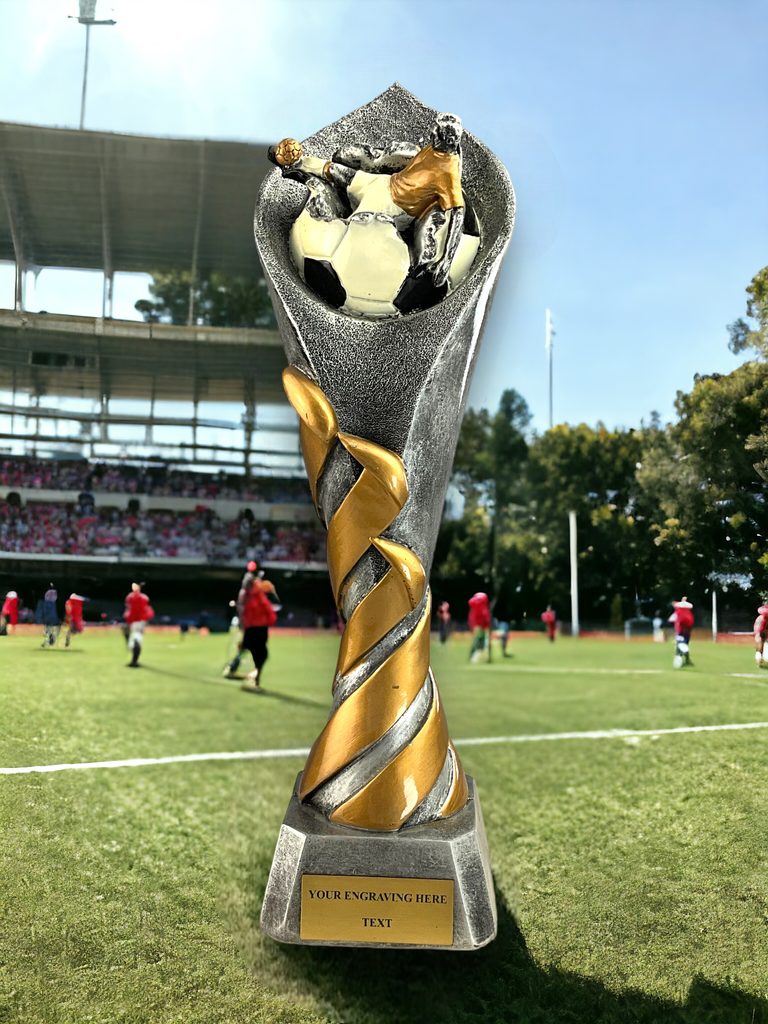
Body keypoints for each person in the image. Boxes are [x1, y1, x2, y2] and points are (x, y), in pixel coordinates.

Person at [270, 113, 466, 287]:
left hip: (393, 207)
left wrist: (446, 262)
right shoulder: (441, 148)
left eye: (436, 131)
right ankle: (297, 163)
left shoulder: (448, 172)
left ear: (447, 139)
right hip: (384, 183)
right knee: (338, 171)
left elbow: (458, 214)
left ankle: (344, 264)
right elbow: (458, 150)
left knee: (351, 227)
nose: (431, 133)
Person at [224, 561, 279, 689]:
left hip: (255, 626)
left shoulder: (252, 592)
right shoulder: (253, 593)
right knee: (260, 654)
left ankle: (233, 669)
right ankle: (254, 679)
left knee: (248, 649)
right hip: (256, 627)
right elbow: (260, 609)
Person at [124, 582, 154, 668]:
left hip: (136, 621)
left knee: (135, 640)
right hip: (139, 621)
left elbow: (130, 608)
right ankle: (134, 660)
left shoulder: (130, 597)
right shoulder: (143, 597)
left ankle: (134, 661)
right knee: (135, 639)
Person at [669, 597, 694, 668]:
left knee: (682, 646)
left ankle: (683, 659)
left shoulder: (681, 613)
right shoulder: (686, 614)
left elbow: (671, 620)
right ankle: (684, 660)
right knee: (682, 646)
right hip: (683, 632)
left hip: (682, 632)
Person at [468, 592, 491, 663]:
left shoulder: (474, 607)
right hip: (481, 627)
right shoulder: (483, 608)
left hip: (476, 626)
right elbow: (486, 618)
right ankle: (474, 658)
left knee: (477, 641)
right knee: (480, 643)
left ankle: (473, 656)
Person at [40, 583, 59, 648]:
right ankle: (51, 638)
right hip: (53, 608)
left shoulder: (47, 593)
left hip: (49, 608)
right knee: (53, 626)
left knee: (47, 627)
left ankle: (47, 640)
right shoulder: (55, 592)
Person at [753, 601, 768, 669]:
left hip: (764, 630)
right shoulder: (761, 620)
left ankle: (764, 657)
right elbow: (758, 634)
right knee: (759, 646)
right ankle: (759, 656)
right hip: (760, 631)